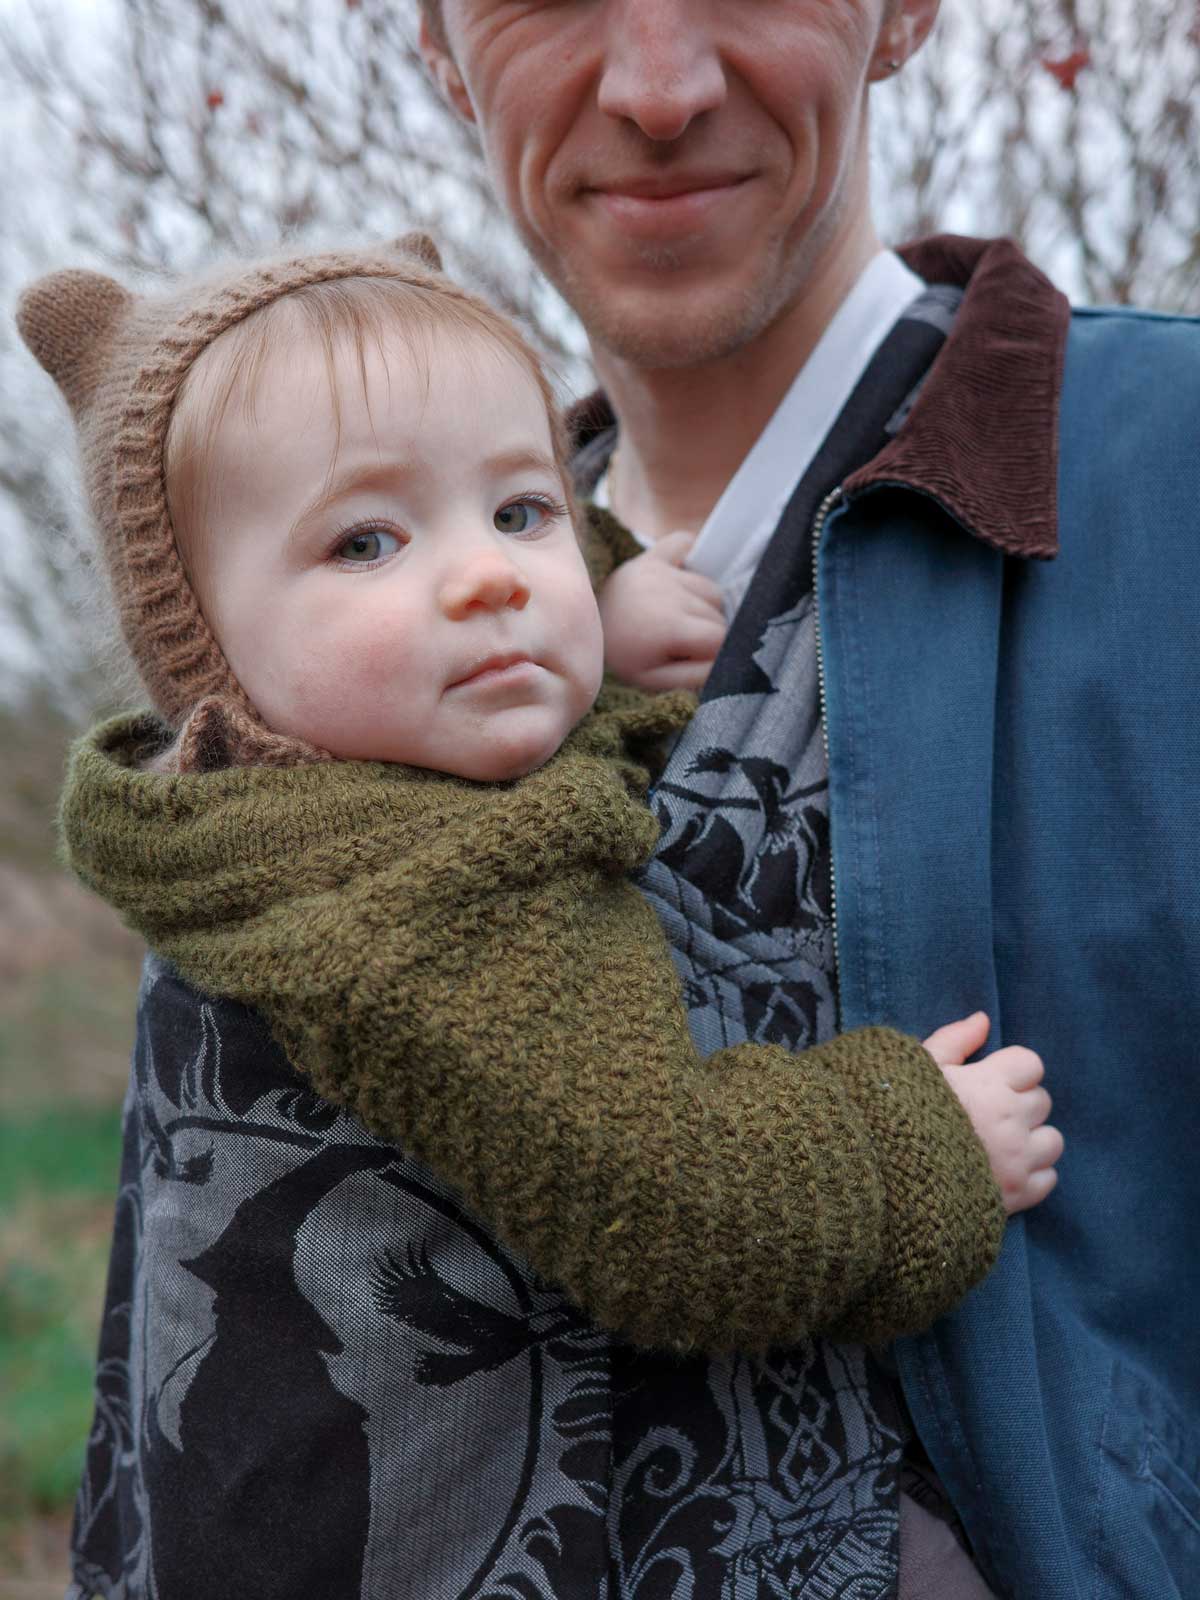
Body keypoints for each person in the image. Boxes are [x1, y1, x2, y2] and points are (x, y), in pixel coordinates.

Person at [21, 240, 1053, 1598]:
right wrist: (921, 1147)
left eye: (521, 513)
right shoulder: (427, 912)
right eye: (367, 541)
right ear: (213, 653)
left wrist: (599, 618)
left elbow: (488, 625)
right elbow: (671, 1210)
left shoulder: (303, 806)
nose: (488, 580)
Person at [413, 2, 1200, 1598]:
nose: (656, 89)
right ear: (435, 41)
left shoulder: (1172, 487)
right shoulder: (328, 645)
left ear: (903, 13)